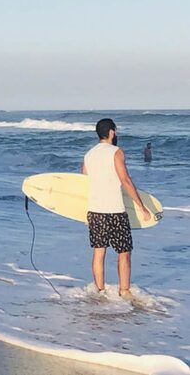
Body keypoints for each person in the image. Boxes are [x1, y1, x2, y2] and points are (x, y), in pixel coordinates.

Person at [81, 118, 151, 301]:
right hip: (115, 210)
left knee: (99, 251)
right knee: (124, 252)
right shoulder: (116, 152)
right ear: (112, 132)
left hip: (95, 210)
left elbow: (83, 182)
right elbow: (125, 180)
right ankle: (124, 291)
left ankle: (99, 290)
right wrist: (141, 207)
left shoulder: (89, 154)